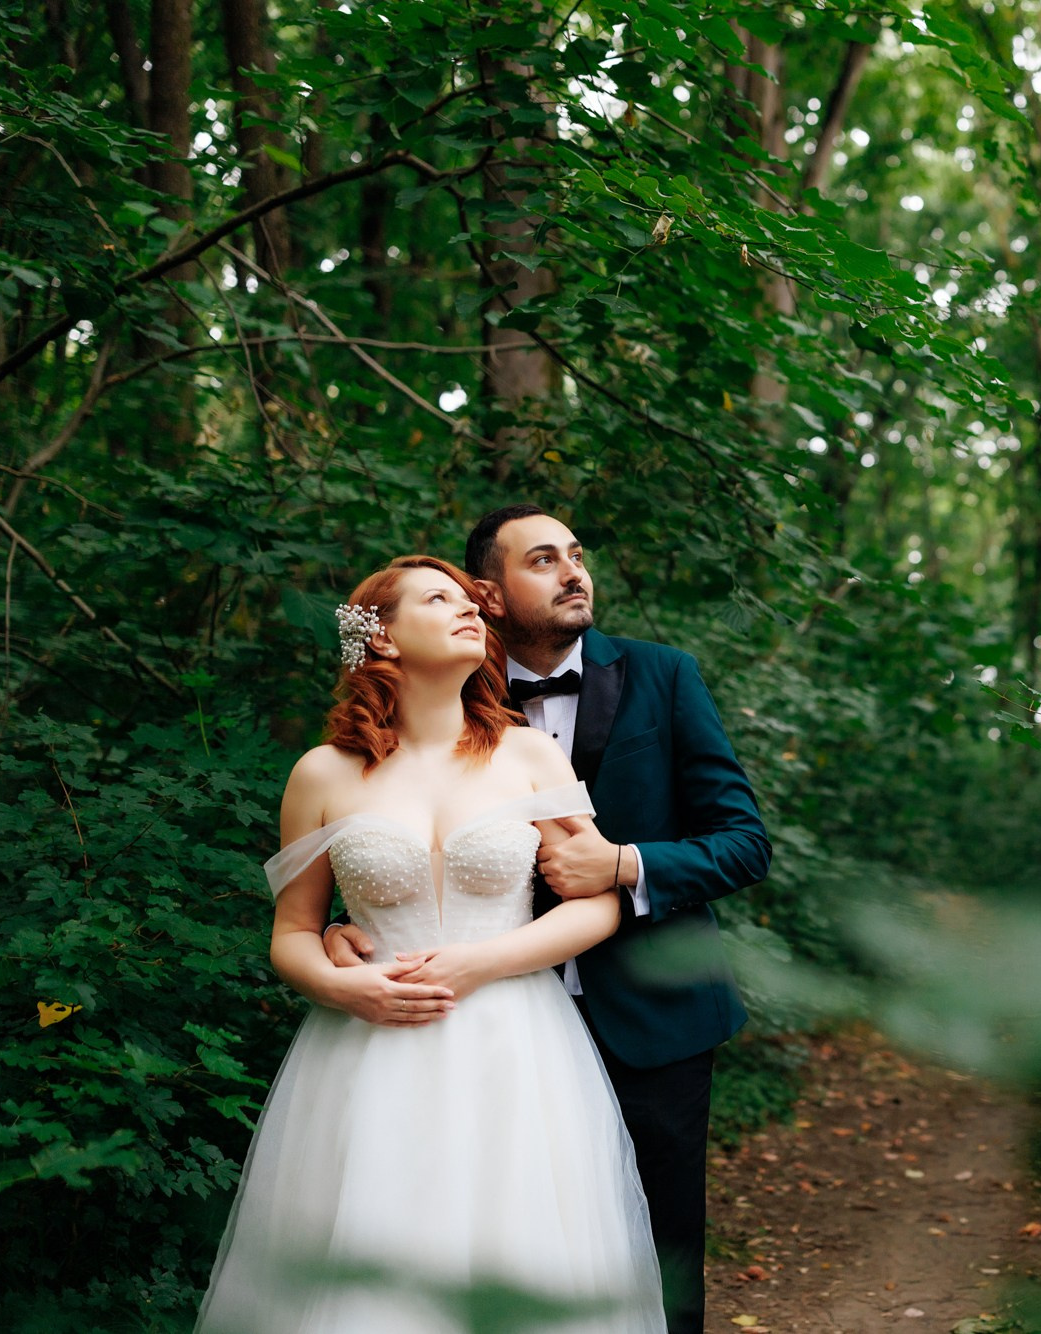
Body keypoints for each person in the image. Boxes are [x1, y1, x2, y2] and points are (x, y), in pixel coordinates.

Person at [322, 506, 771, 1334]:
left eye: (576, 554)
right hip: (470, 1029)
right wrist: (347, 926)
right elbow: (391, 830)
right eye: (543, 559)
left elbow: (745, 843)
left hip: (649, 1015)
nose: (574, 572)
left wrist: (626, 864)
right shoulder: (450, 686)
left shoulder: (663, 675)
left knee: (658, 1258)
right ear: (486, 594)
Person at [198, 556, 666, 1334]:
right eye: (438, 598)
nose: (468, 609)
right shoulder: (322, 774)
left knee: (520, 1252)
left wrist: (485, 961)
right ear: (379, 641)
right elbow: (293, 933)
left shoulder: (526, 754)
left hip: (516, 1044)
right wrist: (343, 987)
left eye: (467, 599)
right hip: (368, 1046)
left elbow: (596, 908)